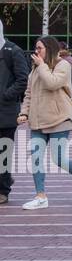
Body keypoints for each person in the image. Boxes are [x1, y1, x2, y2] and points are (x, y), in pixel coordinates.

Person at [15, 37, 72, 210]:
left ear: (48, 49)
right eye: (36, 48)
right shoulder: (35, 70)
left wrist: (41, 65)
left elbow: (52, 83)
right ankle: (40, 197)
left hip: (59, 119)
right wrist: (24, 112)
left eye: (39, 48)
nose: (36, 52)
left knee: (58, 159)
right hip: (37, 121)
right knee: (35, 159)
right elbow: (28, 93)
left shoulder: (63, 65)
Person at [0, 20, 30, 206]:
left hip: (5, 114)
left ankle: (3, 191)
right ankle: (5, 179)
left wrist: (5, 95)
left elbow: (22, 79)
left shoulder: (13, 51)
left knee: (3, 153)